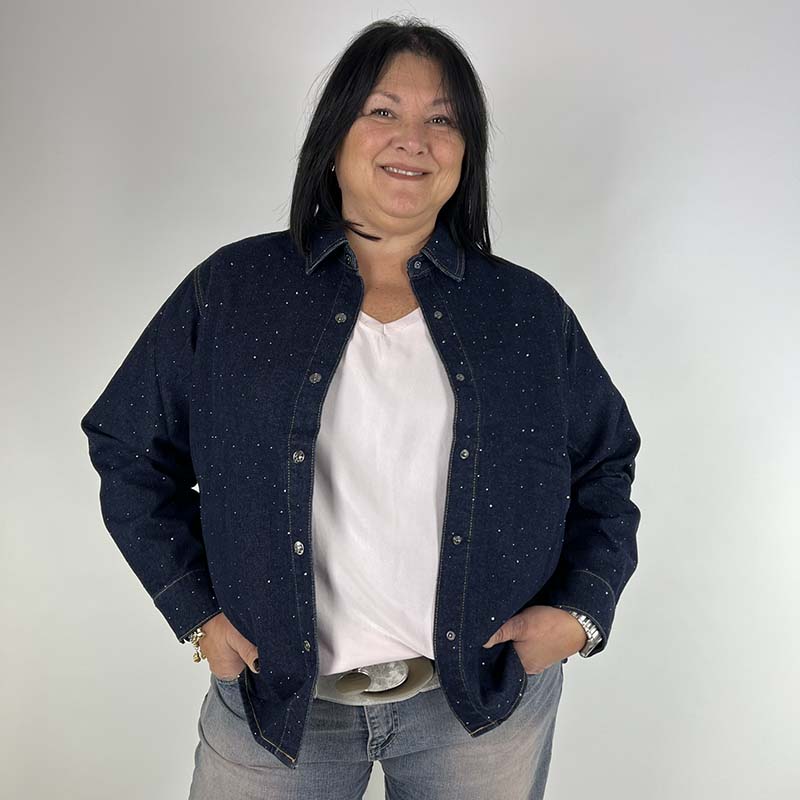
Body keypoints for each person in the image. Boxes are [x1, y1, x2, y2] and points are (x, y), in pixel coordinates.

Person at [80, 16, 641, 799]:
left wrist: (580, 613)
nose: (414, 139)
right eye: (383, 111)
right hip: (276, 704)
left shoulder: (525, 312)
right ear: (335, 136)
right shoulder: (233, 291)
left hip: (481, 705)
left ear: (465, 152)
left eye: (442, 120)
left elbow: (607, 463)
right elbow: (129, 445)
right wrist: (197, 614)